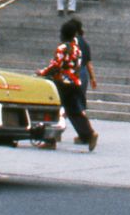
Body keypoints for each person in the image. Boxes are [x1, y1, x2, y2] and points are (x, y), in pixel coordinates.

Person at [38, 18, 99, 151]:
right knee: (74, 111)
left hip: (61, 83)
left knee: (53, 109)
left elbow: (55, 65)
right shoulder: (77, 50)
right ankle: (89, 134)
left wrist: (42, 72)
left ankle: (50, 139)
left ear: (63, 34)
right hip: (74, 83)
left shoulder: (62, 48)